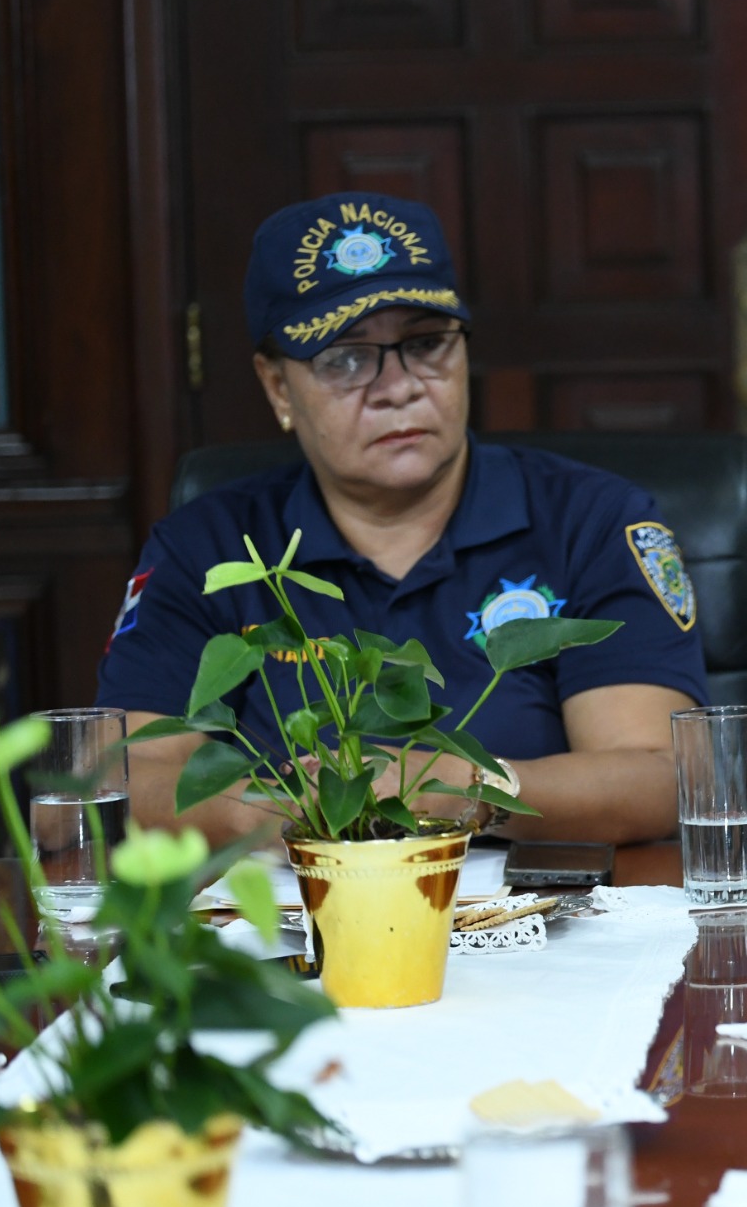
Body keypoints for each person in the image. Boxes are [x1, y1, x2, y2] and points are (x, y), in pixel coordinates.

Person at [100, 193, 707, 846]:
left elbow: (662, 778)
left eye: (425, 344)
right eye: (347, 357)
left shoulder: (591, 521)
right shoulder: (209, 549)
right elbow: (104, 786)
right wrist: (279, 809)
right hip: (297, 932)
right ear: (278, 387)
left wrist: (459, 788)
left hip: (542, 928)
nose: (399, 387)